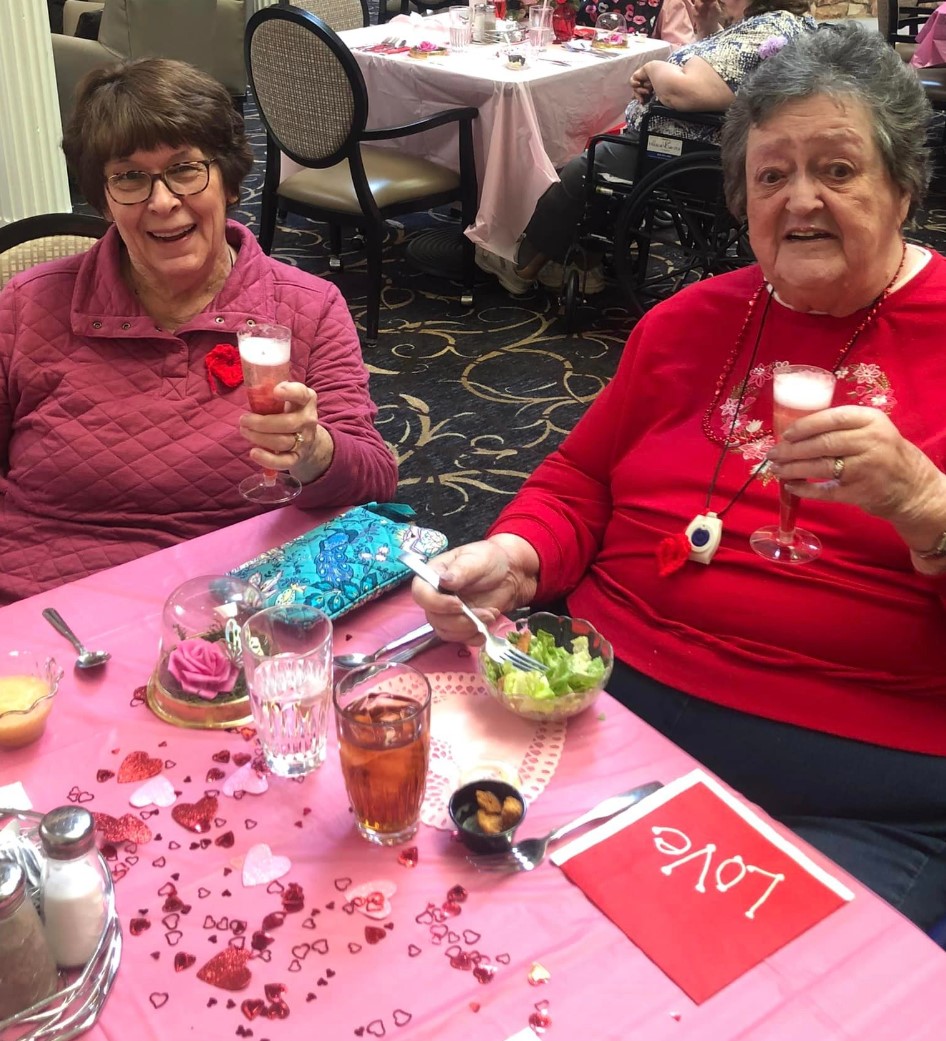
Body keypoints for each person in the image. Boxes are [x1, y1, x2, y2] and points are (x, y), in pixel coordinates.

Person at [412, 23, 946, 932]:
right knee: (450, 909)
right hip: (606, 706)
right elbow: (582, 477)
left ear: (904, 186)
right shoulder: (685, 323)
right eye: (772, 176)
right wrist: (519, 551)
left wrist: (926, 506)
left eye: (839, 169)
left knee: (763, 996)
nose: (801, 199)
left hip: (854, 774)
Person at [0, 59, 397, 605]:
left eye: (185, 169)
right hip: (46, 607)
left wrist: (314, 451)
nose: (162, 202)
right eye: (129, 177)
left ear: (229, 181)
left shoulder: (308, 308)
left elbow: (374, 479)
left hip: (242, 608)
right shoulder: (26, 306)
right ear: (103, 197)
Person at [474, 0, 814, 296]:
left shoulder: (767, 30)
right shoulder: (771, 25)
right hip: (702, 144)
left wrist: (656, 69)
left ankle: (522, 266)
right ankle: (581, 261)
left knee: (587, 166)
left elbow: (691, 92)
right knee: (607, 151)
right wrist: (707, 29)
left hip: (690, 151)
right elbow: (726, 76)